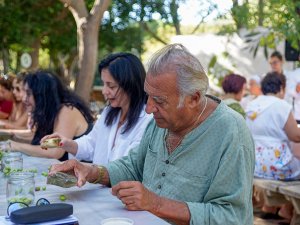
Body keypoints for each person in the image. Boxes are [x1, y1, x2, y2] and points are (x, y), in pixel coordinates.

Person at [50, 44, 255, 225]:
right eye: (148, 96)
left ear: (194, 98)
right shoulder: (161, 122)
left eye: (159, 100)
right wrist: (90, 171)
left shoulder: (230, 133)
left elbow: (232, 216)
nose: (148, 109)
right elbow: (133, 166)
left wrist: (156, 204)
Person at [42, 53, 152, 165]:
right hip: (98, 181)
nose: (104, 91)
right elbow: (91, 144)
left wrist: (92, 173)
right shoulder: (109, 112)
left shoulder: (147, 121)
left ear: (131, 85)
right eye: (104, 84)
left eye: (111, 86)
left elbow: (128, 166)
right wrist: (66, 143)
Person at [246, 72, 300, 220]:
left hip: (254, 165)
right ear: (281, 88)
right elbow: (295, 135)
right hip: (276, 166)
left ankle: (279, 209)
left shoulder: (252, 104)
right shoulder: (281, 105)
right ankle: (290, 211)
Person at [9, 71, 94, 161]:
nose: (24, 98)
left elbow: (54, 151)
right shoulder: (50, 112)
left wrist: (15, 146)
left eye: (28, 93)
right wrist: (16, 139)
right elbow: (45, 143)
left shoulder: (67, 111)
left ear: (43, 95)